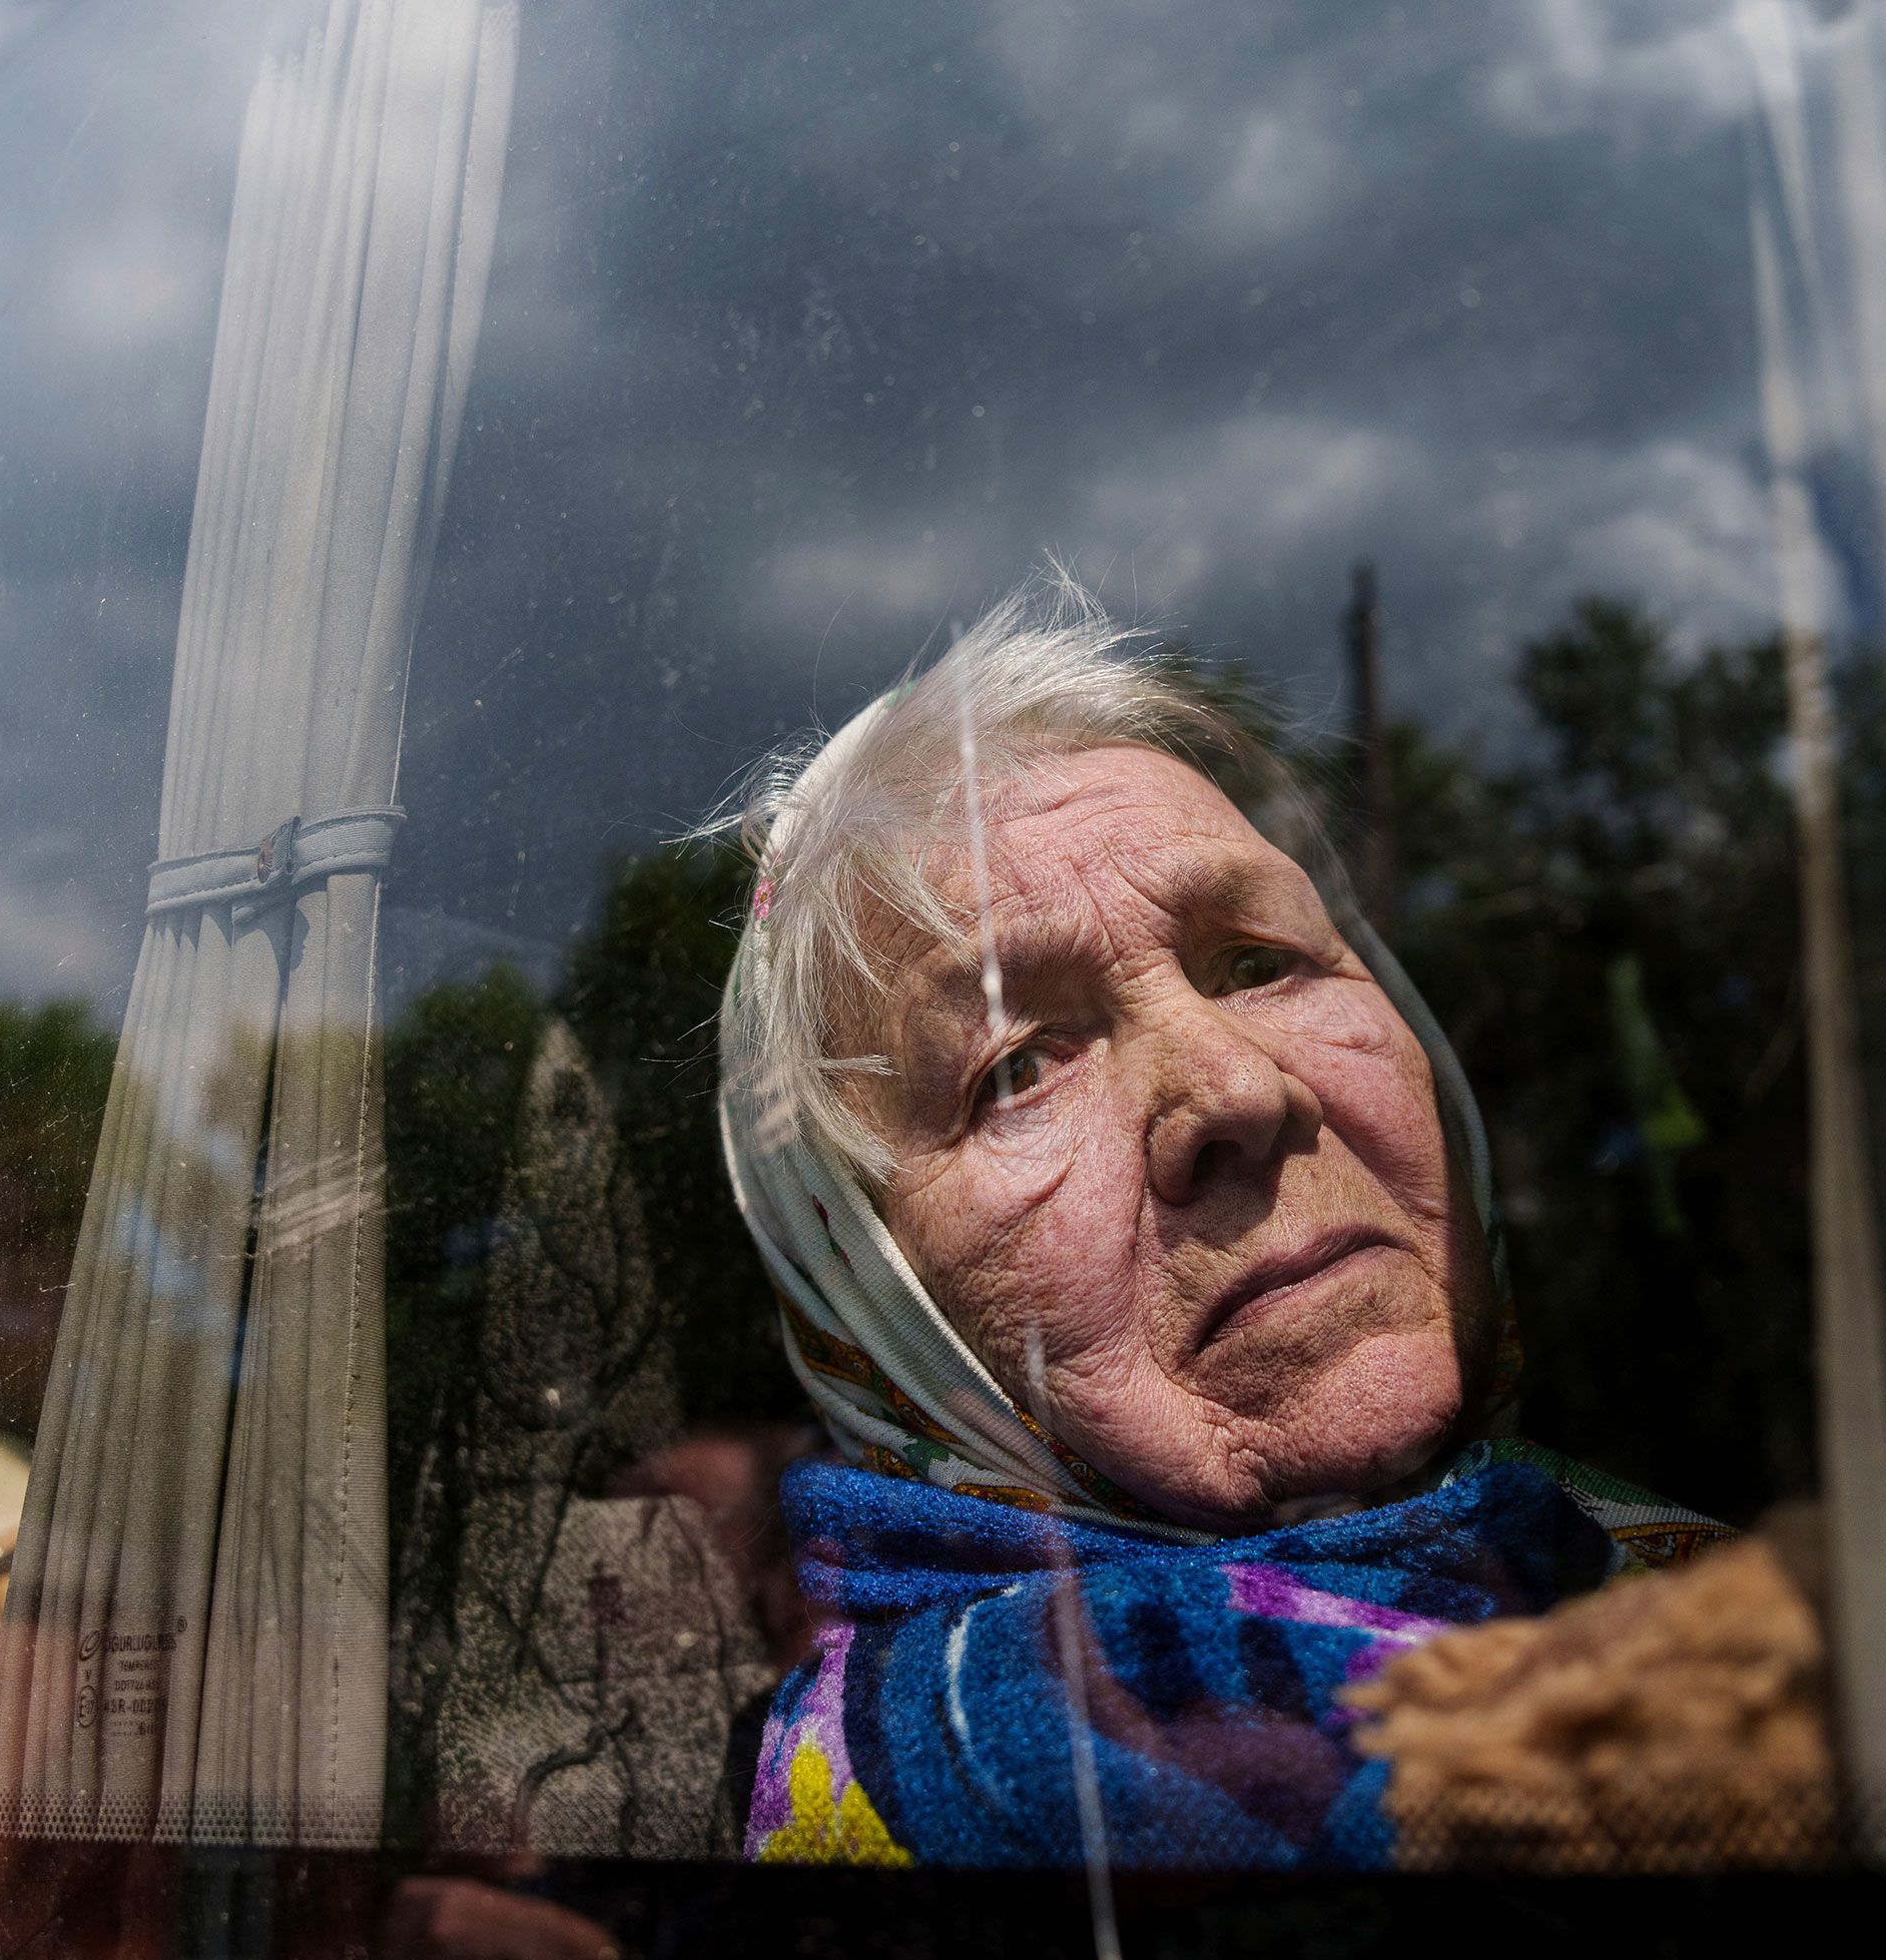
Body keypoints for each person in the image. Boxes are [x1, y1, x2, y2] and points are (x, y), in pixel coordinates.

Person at [715, 583, 1729, 1869]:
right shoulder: (987, 1781)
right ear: (869, 1293)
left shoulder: (1620, 1554)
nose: (1240, 1093)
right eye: (1017, 1067)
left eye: (1259, 962)